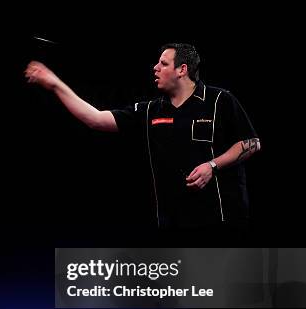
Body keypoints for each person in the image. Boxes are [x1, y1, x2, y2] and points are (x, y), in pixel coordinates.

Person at [24, 43, 260, 233]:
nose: (155, 68)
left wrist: (212, 165)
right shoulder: (150, 110)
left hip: (221, 221)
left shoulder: (220, 100)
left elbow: (251, 143)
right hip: (172, 223)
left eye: (163, 63)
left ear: (182, 70)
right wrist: (55, 84)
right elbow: (95, 118)